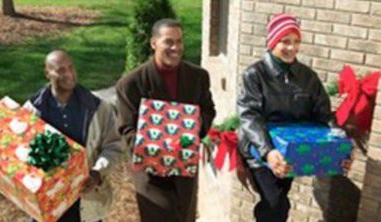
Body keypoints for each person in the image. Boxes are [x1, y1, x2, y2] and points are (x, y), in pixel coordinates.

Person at [237, 14, 351, 222]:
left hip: (291, 151)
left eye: (296, 41)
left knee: (278, 202)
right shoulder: (255, 74)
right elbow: (249, 116)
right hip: (259, 152)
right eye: (285, 41)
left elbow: (324, 114)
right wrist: (268, 152)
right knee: (275, 203)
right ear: (272, 42)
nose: (292, 47)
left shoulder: (308, 77)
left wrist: (339, 145)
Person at [115, 18, 216, 222]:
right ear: (154, 43)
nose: (175, 48)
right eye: (168, 42)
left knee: (184, 217)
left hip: (185, 172)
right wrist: (157, 148)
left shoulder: (198, 77)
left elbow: (208, 110)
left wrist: (191, 130)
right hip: (152, 176)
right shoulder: (132, 83)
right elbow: (126, 129)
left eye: (179, 42)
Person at [24, 50, 122, 222]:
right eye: (60, 70)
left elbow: (114, 145)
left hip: (85, 202)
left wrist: (97, 173)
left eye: (70, 67)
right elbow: (20, 152)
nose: (68, 74)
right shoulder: (31, 110)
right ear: (47, 73)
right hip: (47, 201)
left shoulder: (98, 108)